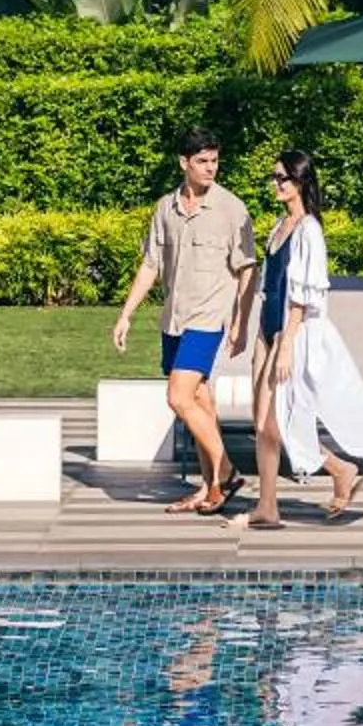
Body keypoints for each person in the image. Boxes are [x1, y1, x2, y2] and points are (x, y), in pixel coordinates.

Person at [243, 152, 363, 531]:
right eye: (273, 177)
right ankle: (270, 504)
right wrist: (258, 335)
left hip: (292, 333)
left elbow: (305, 295)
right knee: (263, 424)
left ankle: (334, 470)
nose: (276, 184)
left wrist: (286, 343)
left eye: (282, 178)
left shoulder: (309, 231)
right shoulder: (279, 226)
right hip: (267, 331)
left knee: (277, 424)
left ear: (300, 182)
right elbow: (271, 286)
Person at [111, 127, 259, 514]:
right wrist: (126, 314)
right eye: (203, 161)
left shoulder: (231, 208)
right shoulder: (165, 208)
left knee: (178, 397)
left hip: (208, 318)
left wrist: (241, 322)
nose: (211, 168)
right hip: (173, 319)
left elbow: (247, 269)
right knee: (199, 401)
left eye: (214, 160)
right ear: (184, 163)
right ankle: (209, 487)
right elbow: (150, 264)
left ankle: (226, 472)